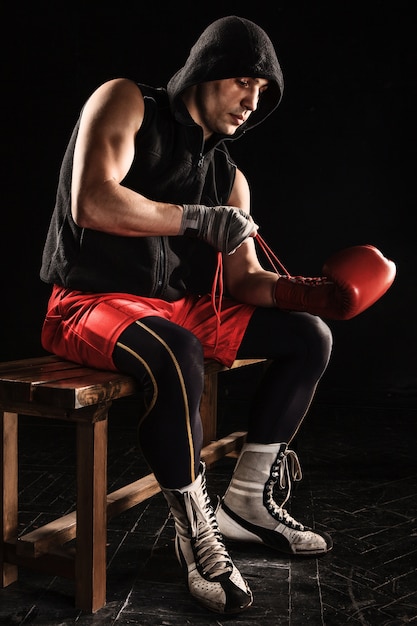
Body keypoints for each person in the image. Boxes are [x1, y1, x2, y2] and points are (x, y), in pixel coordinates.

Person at [39, 16, 395, 615]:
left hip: (173, 307)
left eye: (262, 93)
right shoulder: (125, 101)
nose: (252, 102)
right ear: (206, 71)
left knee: (310, 336)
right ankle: (194, 534)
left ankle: (247, 501)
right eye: (243, 82)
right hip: (86, 303)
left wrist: (317, 295)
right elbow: (91, 199)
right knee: (177, 348)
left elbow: (246, 282)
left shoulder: (230, 177)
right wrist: (194, 219)